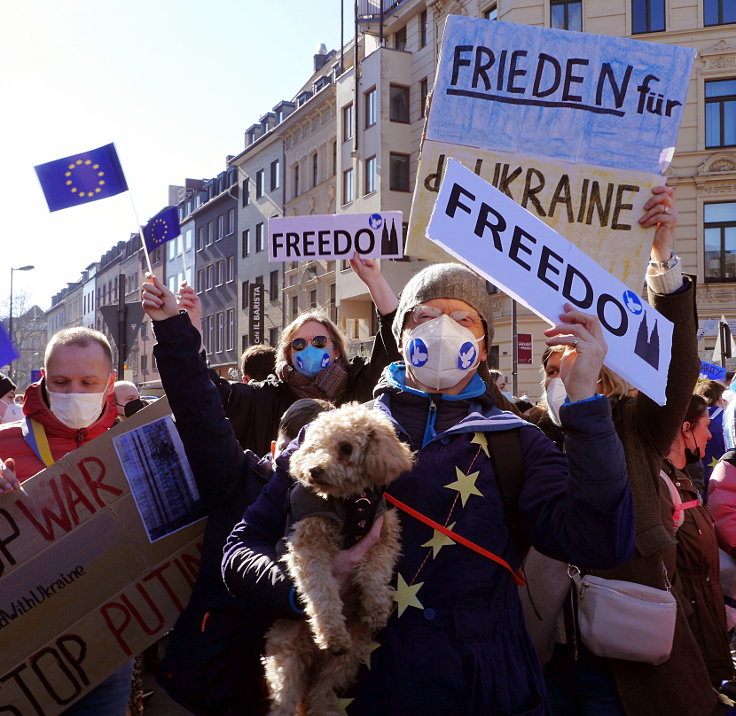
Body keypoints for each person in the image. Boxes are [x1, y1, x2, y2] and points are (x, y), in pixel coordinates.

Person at [222, 261, 635, 715]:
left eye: (464, 319)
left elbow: (601, 540)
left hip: (483, 689)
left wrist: (585, 407)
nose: (443, 328)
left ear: (481, 347)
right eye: (424, 315)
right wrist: (313, 585)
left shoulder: (518, 441)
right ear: (400, 336)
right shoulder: (330, 435)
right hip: (361, 692)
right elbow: (240, 551)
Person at [542, 186, 716, 715]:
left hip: (633, 663)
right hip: (552, 659)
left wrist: (662, 260)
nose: (561, 376)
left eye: (573, 364)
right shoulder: (527, 433)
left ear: (603, 373)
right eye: (551, 369)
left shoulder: (635, 427)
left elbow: (680, 369)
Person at [0, 327, 133, 715]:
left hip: (108, 643)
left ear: (109, 384)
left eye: (88, 382)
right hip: (16, 645)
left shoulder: (131, 444)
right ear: (42, 379)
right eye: (61, 382)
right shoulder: (4, 442)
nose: (74, 392)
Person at [148, 257, 401, 456]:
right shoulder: (264, 398)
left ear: (336, 350)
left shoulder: (361, 387)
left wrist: (374, 280)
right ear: (289, 354)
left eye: (320, 342)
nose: (309, 349)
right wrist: (190, 330)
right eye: (299, 344)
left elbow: (392, 343)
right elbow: (208, 394)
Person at [661, 394, 734, 690]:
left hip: (705, 624)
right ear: (685, 428)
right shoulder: (662, 483)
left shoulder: (682, 478)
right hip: (686, 632)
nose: (710, 433)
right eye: (705, 425)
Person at [695, 379, 728, 497]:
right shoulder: (728, 417)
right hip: (725, 485)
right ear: (720, 398)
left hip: (697, 484)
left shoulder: (691, 417)